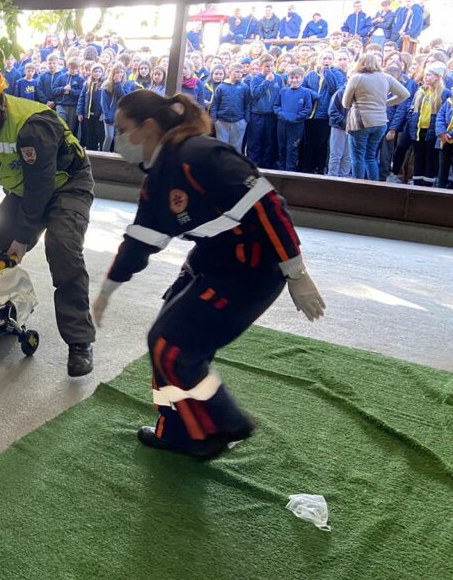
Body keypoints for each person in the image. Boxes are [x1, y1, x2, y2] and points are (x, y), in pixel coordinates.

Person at [91, 91, 325, 459]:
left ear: (147, 127)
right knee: (164, 345)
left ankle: (221, 424)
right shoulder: (158, 178)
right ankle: (174, 429)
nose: (117, 138)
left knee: (172, 347)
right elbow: (140, 241)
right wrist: (108, 288)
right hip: (213, 260)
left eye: (122, 129)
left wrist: (295, 273)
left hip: (253, 268)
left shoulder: (200, 155)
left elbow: (268, 207)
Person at [0, 66, 96, 376]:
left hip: (66, 185)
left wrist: (23, 237)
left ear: (0, 102)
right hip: (24, 189)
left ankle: (79, 342)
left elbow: (40, 189)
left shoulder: (33, 127)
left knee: (62, 246)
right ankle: (6, 316)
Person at [342, 52, 411, 180]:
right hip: (380, 122)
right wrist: (386, 103)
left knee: (357, 157)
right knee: (370, 156)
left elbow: (345, 103)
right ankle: (374, 185)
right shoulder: (386, 77)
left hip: (360, 122)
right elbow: (405, 94)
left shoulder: (356, 77)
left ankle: (357, 185)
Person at [407, 63, 451, 187]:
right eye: (425, 75)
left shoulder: (445, 93)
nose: (425, 77)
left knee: (430, 159)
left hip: (433, 131)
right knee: (418, 157)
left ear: (437, 77)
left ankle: (427, 187)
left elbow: (446, 114)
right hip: (418, 130)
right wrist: (411, 121)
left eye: (429, 75)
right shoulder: (421, 91)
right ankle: (417, 184)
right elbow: (412, 109)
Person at [275, 68, 315, 172]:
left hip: (296, 126)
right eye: (292, 78)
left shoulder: (306, 92)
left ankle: (290, 171)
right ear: (288, 78)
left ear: (302, 78)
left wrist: (295, 117)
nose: (294, 80)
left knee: (292, 149)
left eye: (297, 78)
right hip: (282, 124)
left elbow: (307, 109)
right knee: (282, 148)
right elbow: (276, 106)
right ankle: (280, 170)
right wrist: (282, 115)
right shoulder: (283, 91)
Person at [210, 64, 250, 154]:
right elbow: (215, 104)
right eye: (237, 72)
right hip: (222, 121)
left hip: (239, 121)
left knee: (236, 148)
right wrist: (215, 120)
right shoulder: (221, 87)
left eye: (241, 72)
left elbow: (247, 104)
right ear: (230, 72)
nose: (239, 74)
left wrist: (245, 120)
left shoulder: (244, 87)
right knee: (222, 146)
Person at [77, 63, 106, 150]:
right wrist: (79, 112)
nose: (97, 73)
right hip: (89, 115)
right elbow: (81, 98)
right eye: (95, 71)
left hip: (99, 116)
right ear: (92, 72)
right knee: (90, 136)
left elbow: (106, 101)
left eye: (99, 71)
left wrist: (103, 113)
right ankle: (91, 152)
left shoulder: (105, 84)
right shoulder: (87, 84)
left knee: (100, 135)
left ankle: (102, 153)